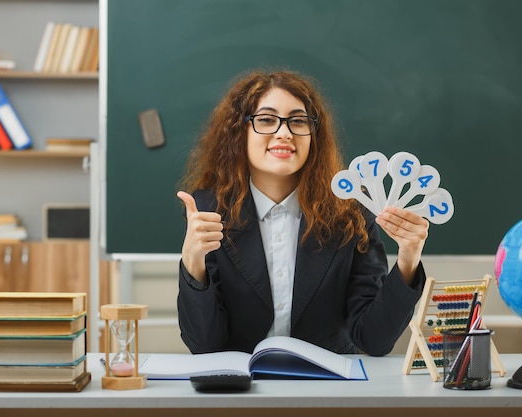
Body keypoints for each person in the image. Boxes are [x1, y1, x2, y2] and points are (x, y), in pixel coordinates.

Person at [176, 69, 429, 356]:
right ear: (240, 131)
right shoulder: (209, 211)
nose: (284, 133)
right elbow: (204, 345)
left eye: (298, 121)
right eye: (267, 120)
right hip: (242, 391)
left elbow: (374, 340)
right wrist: (193, 262)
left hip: (327, 392)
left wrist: (408, 259)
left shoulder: (351, 213)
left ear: (314, 136)